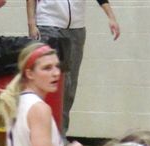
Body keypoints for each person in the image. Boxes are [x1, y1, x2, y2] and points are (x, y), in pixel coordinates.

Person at [26, 0, 120, 133]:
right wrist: (31, 23)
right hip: (49, 24)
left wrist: (111, 17)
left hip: (76, 28)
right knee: (50, 82)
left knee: (69, 85)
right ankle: (42, 131)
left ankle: (60, 133)